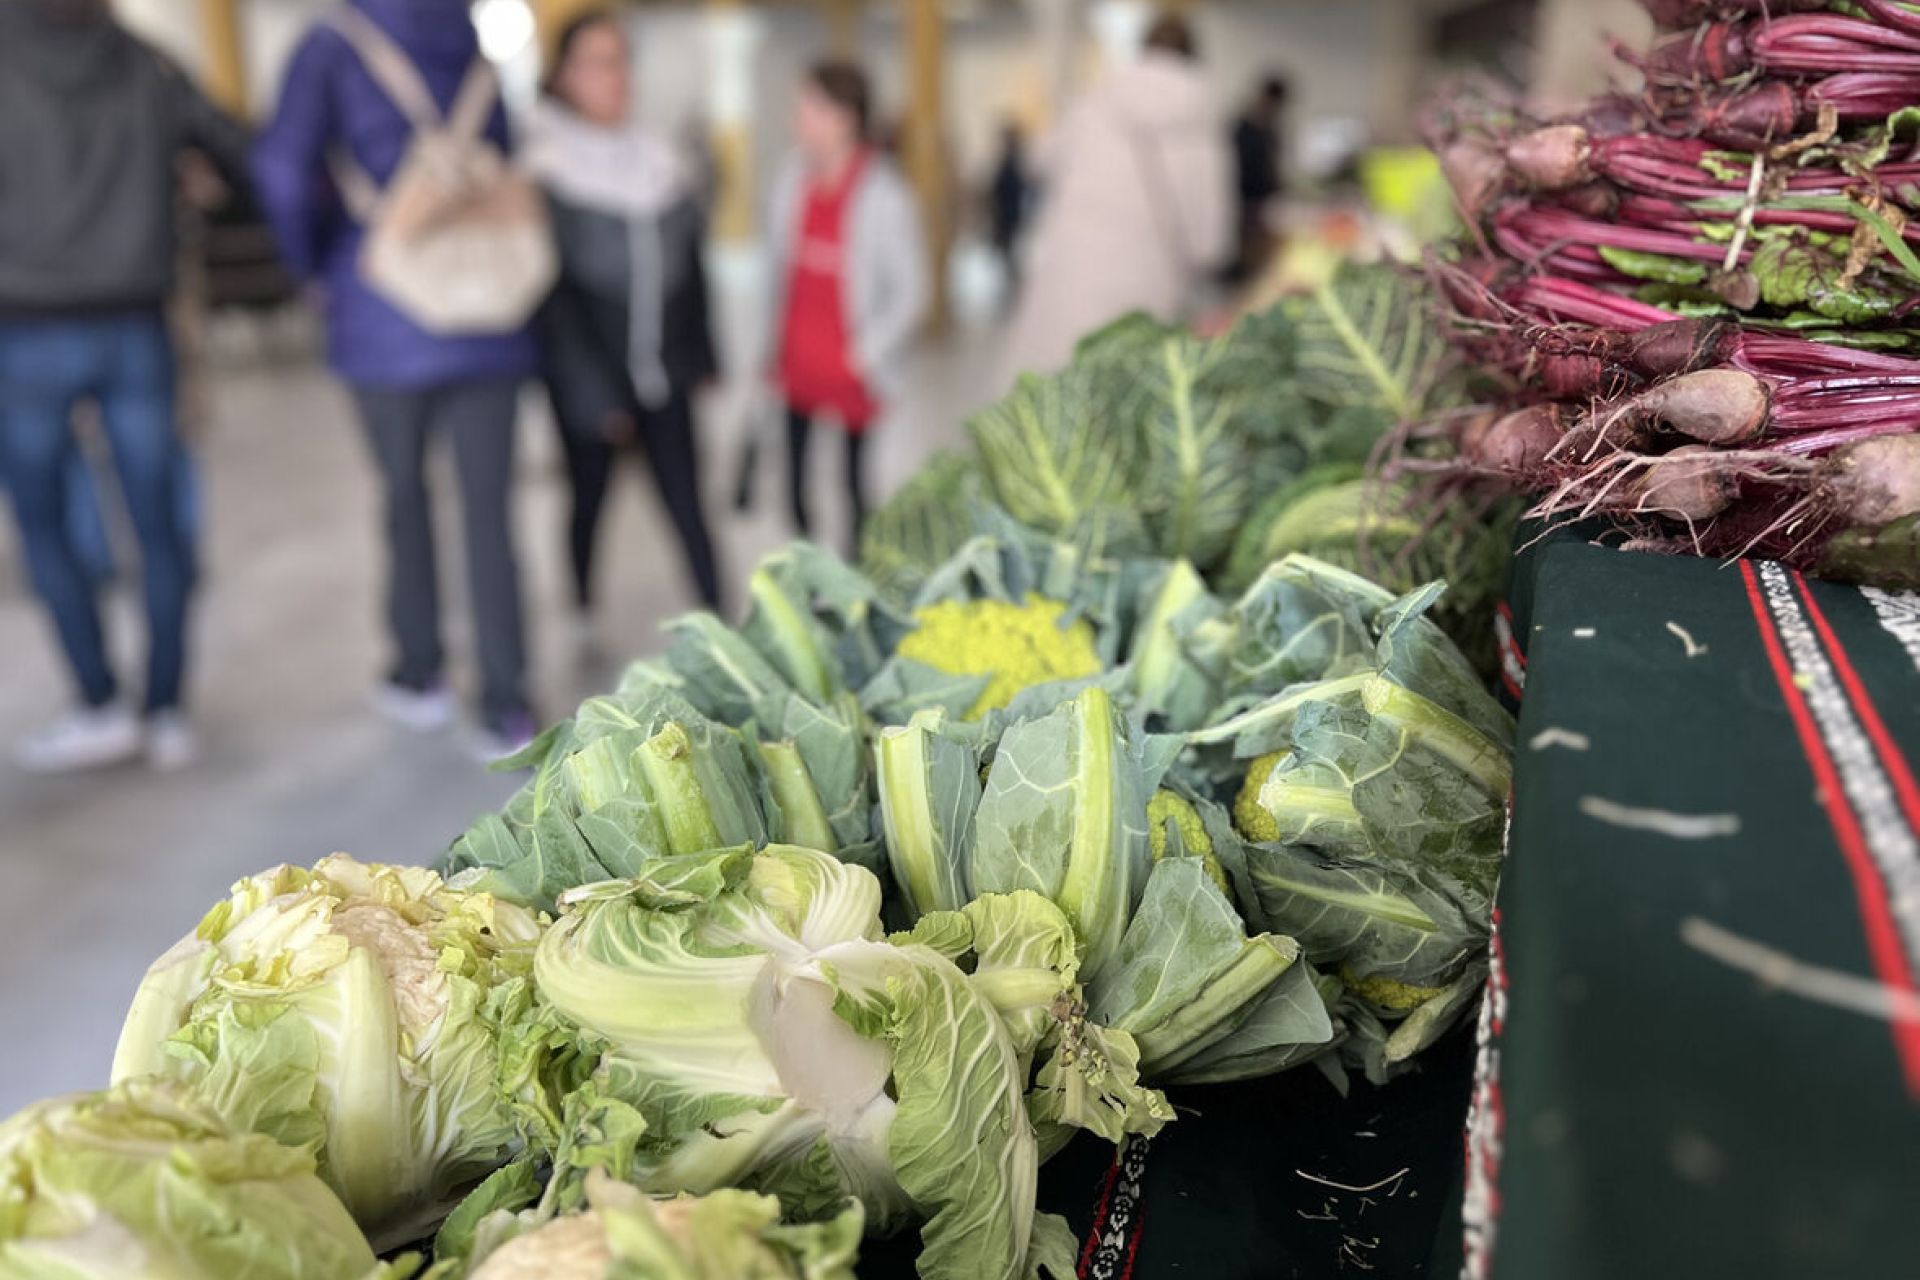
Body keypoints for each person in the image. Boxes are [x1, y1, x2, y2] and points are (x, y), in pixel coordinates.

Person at [252, 0, 539, 755]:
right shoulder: (473, 38)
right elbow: (502, 151)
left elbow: (282, 168)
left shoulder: (329, 43)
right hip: (491, 310)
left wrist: (315, 267)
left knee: (403, 495)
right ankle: (505, 704)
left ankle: (421, 673)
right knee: (489, 512)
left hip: (378, 301)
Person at [0, 0, 249, 774]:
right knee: (157, 524)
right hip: (137, 322)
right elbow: (243, 154)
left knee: (45, 528)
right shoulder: (147, 61)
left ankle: (100, 703)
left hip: (24, 328)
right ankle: (167, 711)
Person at [525, 11, 724, 625]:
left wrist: (703, 356)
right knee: (590, 500)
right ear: (565, 76)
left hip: (666, 369)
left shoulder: (659, 160)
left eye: (621, 60)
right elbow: (549, 297)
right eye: (599, 63)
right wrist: (593, 394)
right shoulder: (544, 170)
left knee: (688, 500)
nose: (615, 76)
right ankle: (582, 607)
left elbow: (691, 269)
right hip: (593, 378)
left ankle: (720, 620)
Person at [1001, 13, 1231, 382]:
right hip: (1151, 286)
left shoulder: (1095, 102)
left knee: (1065, 393)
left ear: (1141, 50)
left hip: (1074, 276)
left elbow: (1038, 161)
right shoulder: (1200, 124)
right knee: (1127, 400)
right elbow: (1210, 244)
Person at [768, 62, 929, 554]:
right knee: (792, 485)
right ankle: (807, 573)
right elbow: (777, 273)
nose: (800, 121)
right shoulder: (790, 182)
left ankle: (852, 583)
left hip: (851, 368)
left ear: (845, 118)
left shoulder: (885, 195)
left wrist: (865, 351)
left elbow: (912, 289)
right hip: (797, 362)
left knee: (852, 485)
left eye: (811, 109)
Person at [1229, 75, 1289, 284]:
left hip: (1261, 203)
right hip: (1243, 203)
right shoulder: (1243, 128)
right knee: (1247, 261)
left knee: (1261, 266)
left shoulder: (1270, 129)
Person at [988, 119, 1031, 293]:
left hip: (1013, 223)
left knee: (1013, 266)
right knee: (1009, 266)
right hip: (1007, 222)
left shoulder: (1013, 166)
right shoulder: (1007, 165)